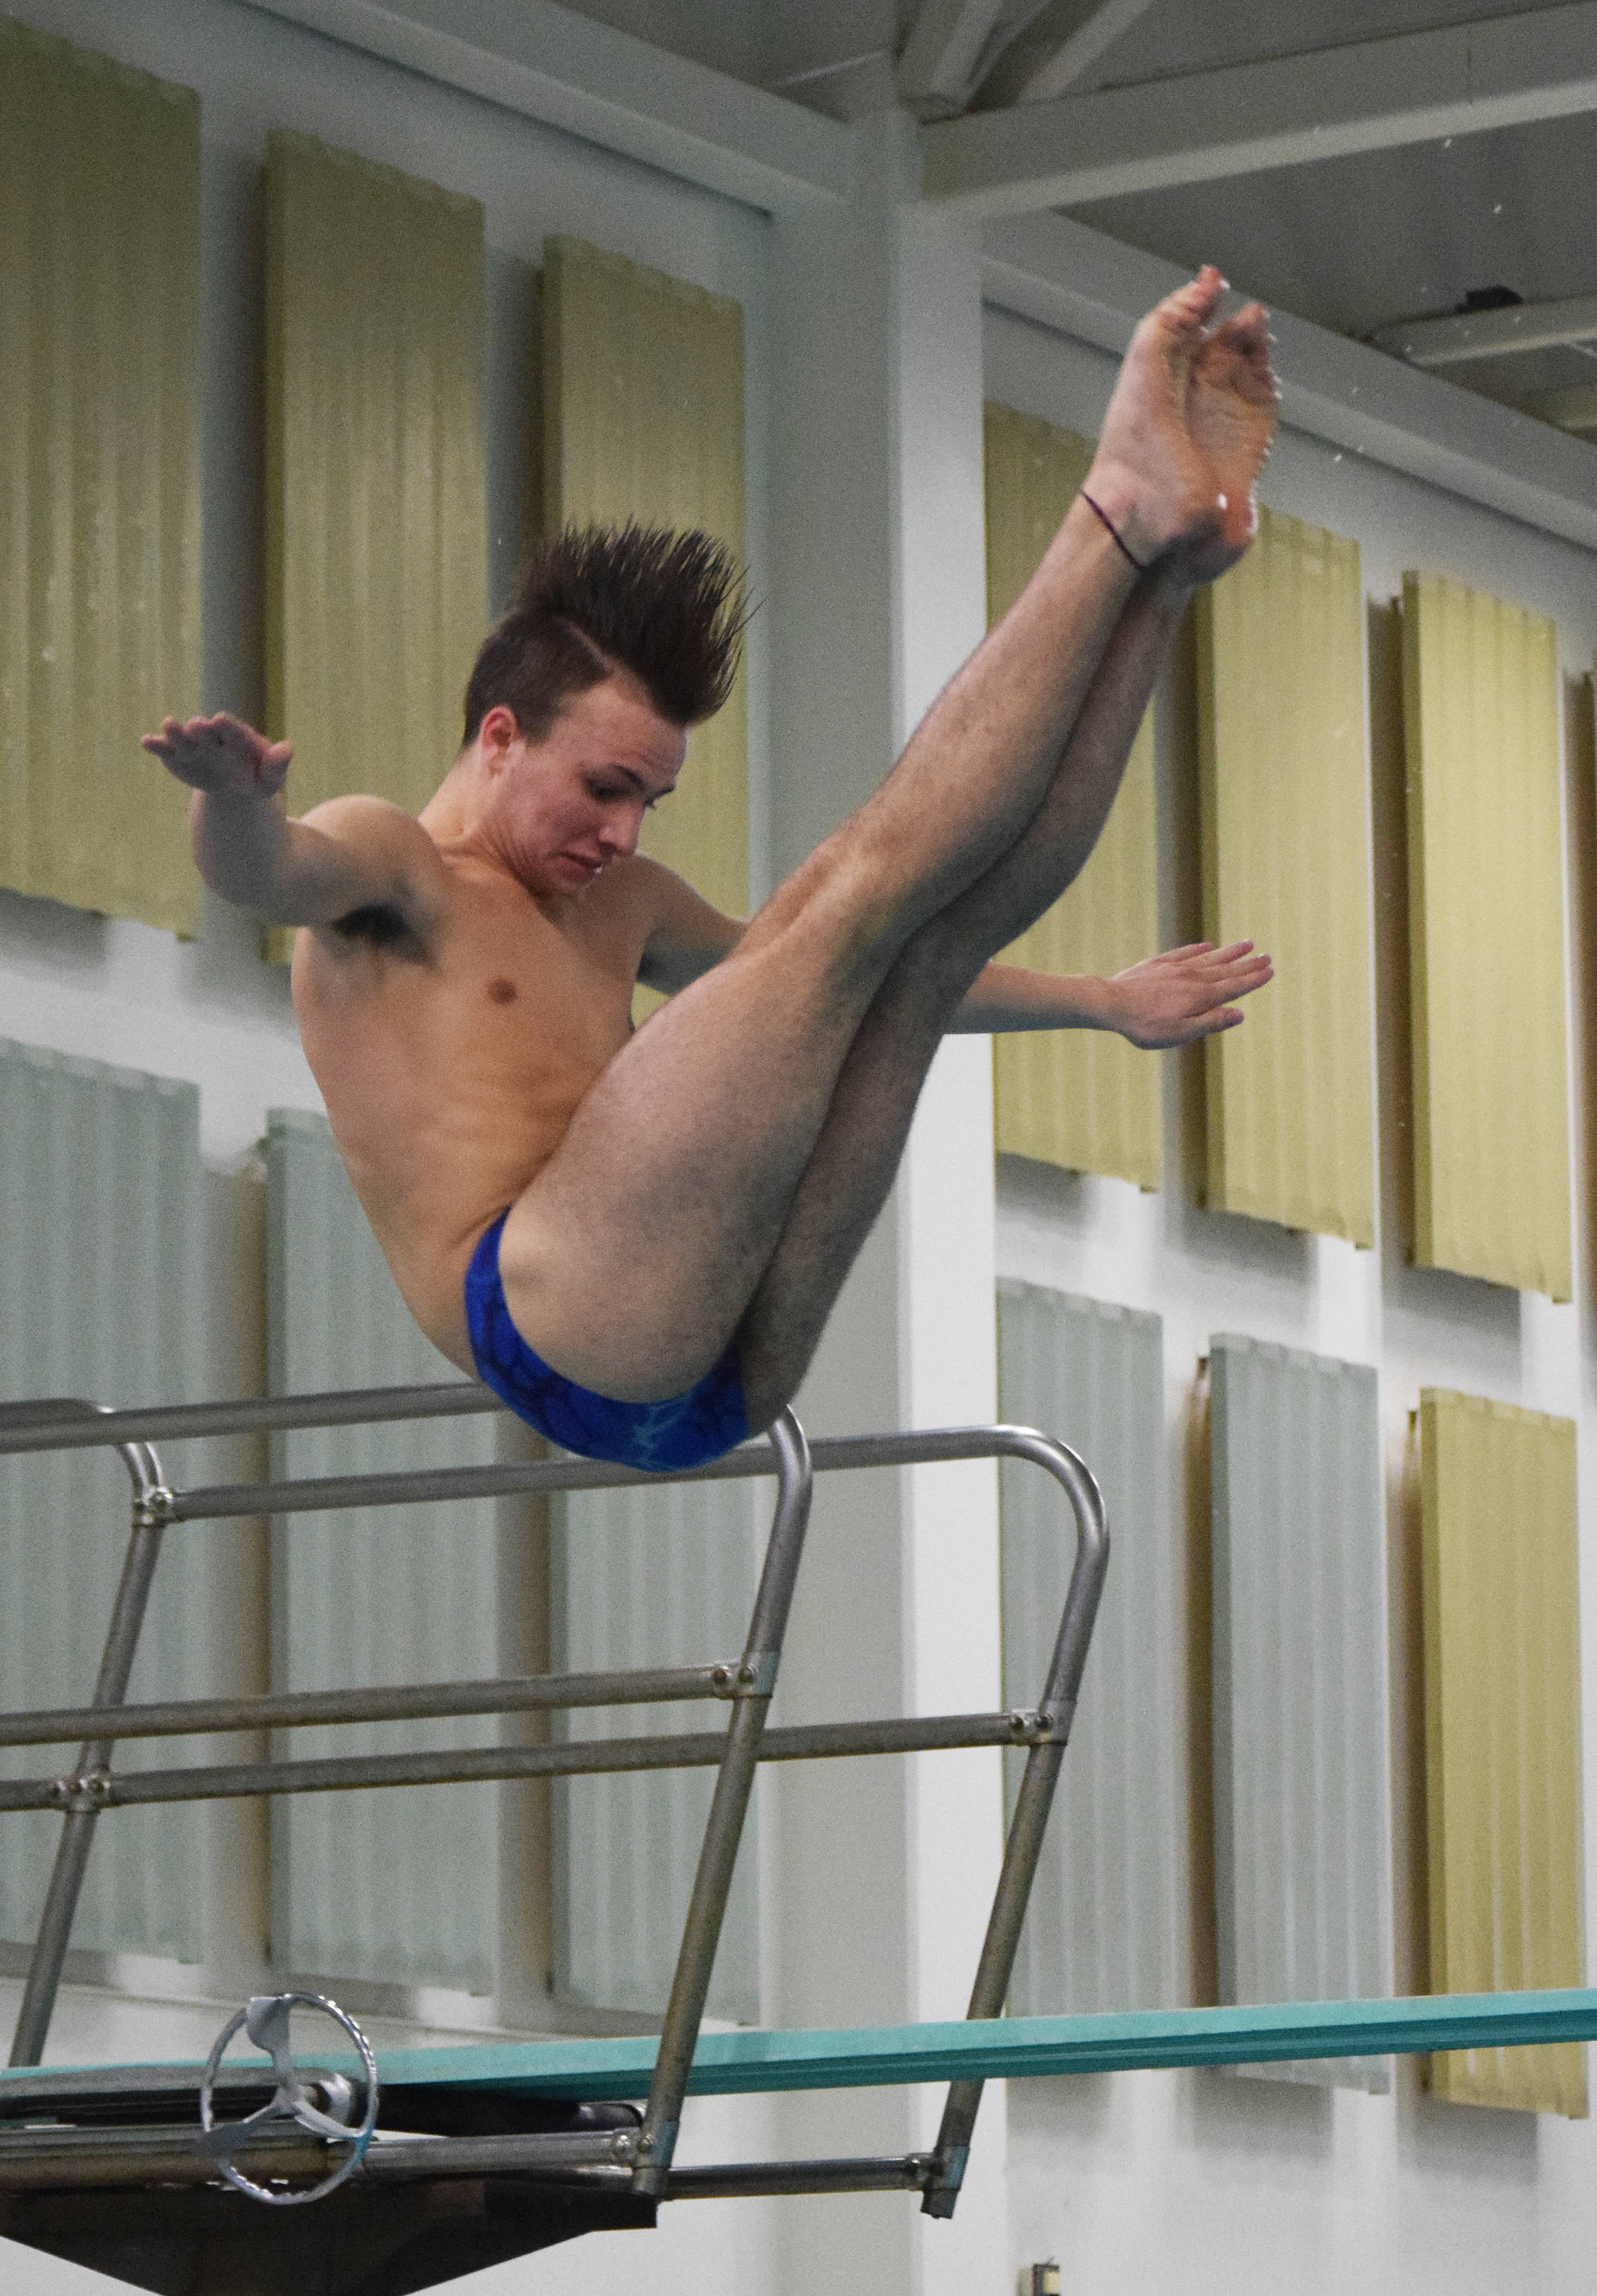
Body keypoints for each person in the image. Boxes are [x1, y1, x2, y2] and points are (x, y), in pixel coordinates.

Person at [145, 266, 1276, 1471]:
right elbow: (268, 879)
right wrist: (231, 803)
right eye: (603, 788)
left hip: (727, 1365)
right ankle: (1116, 511)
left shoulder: (621, 906)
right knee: (852, 894)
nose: (625, 835)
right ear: (499, 737)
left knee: (916, 956)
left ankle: (1168, 575)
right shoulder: (400, 869)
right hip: (556, 1320)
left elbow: (803, 979)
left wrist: (1104, 1004)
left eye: (650, 800)